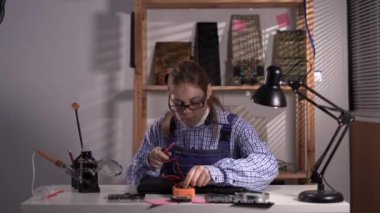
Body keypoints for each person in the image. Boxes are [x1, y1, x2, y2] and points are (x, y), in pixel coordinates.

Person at [127, 61, 278, 191]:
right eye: (178, 103)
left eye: (194, 102)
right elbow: (132, 178)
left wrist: (216, 172)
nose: (186, 112)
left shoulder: (235, 128)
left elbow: (268, 165)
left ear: (208, 92)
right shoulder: (160, 128)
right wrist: (149, 161)